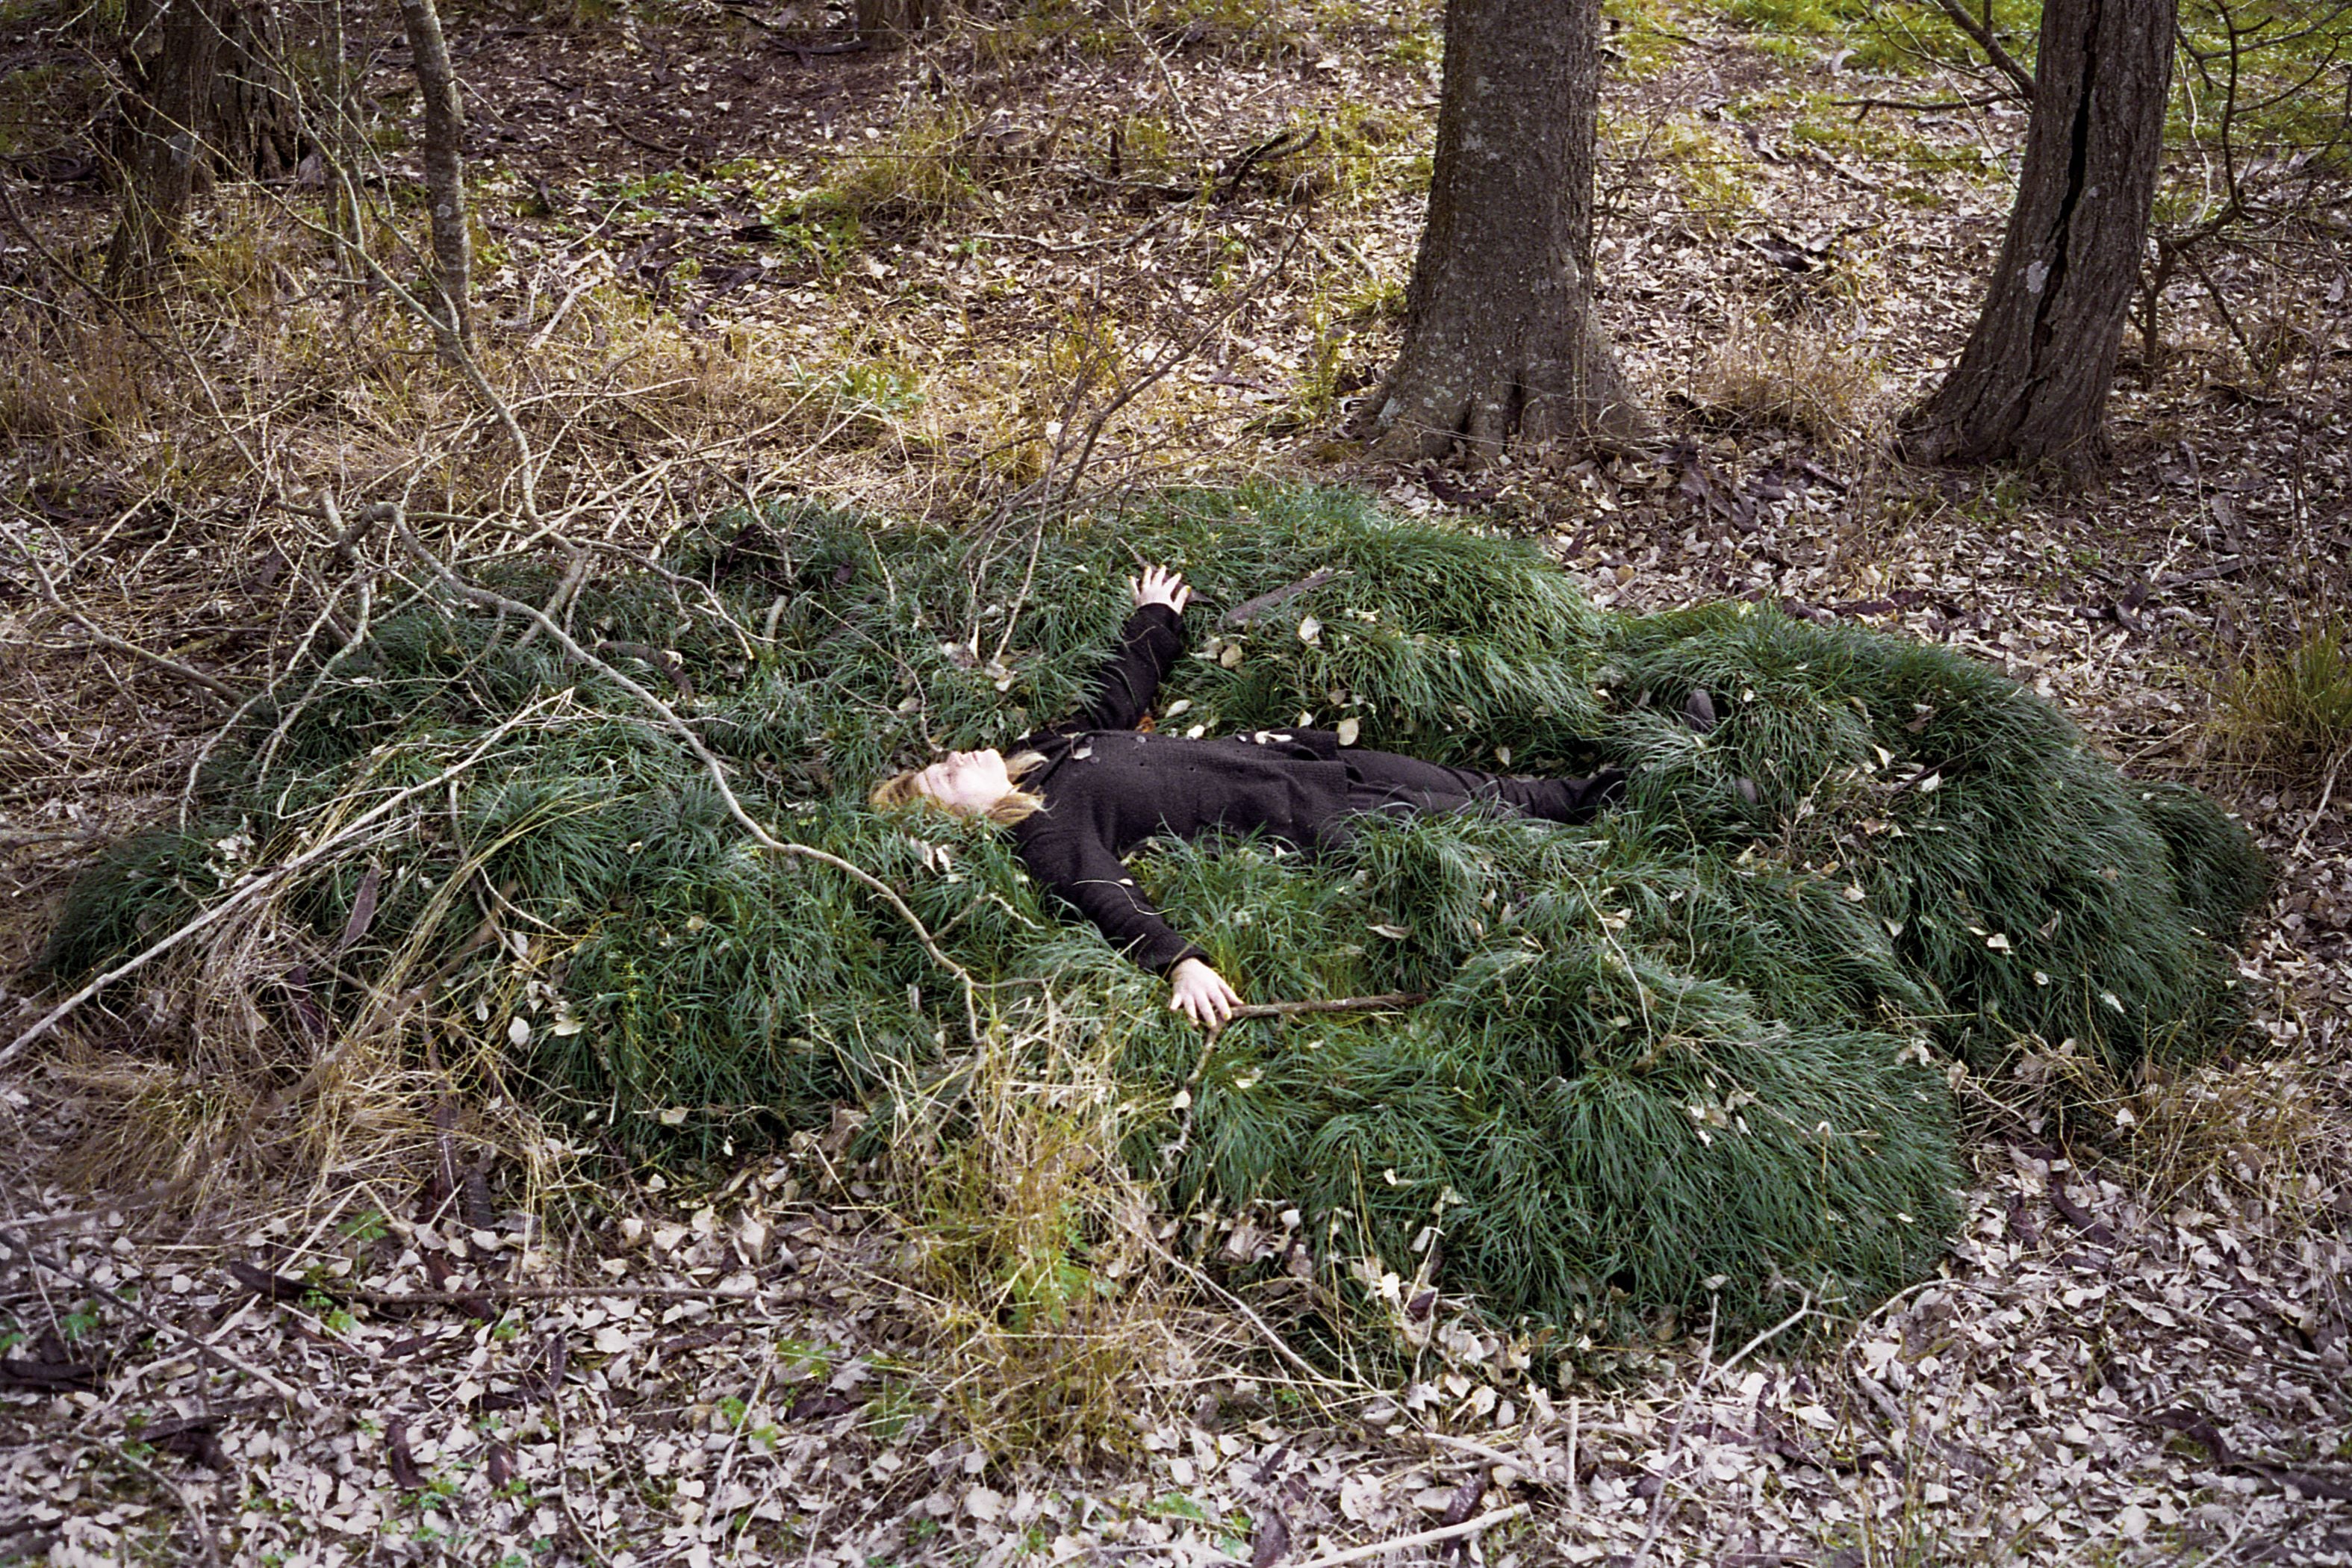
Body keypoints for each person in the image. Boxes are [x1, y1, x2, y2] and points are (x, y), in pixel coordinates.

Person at [871, 567, 1624, 1029]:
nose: (953, 758)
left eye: (940, 761)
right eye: (944, 778)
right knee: (1483, 816)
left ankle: (1616, 787)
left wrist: (1155, 619)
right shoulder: (1044, 829)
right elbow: (1103, 895)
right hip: (1306, 818)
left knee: (1495, 790)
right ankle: (1616, 818)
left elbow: (1114, 700)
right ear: (960, 818)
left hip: (1300, 760)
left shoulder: (1042, 754)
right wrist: (1180, 963)